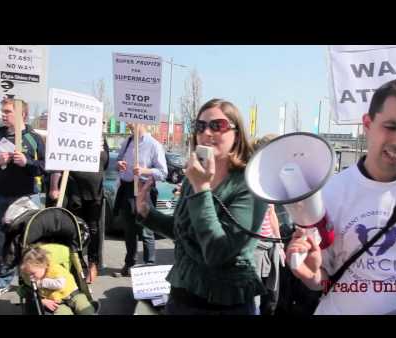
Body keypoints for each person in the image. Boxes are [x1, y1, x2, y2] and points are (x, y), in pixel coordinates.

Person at [286, 78, 396, 315]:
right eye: (391, 126)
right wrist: (310, 275)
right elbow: (323, 280)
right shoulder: (329, 194)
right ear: (367, 124)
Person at [135, 98, 268, 315]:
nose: (206, 133)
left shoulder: (250, 185)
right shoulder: (193, 177)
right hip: (181, 297)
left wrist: (203, 189)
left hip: (225, 304)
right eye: (200, 126)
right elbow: (184, 233)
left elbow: (217, 252)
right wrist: (147, 213)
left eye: (218, 126)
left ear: (237, 135)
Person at [0, 98, 45, 301]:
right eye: (3, 111)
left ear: (23, 115)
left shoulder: (34, 139)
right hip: (0, 196)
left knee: (29, 240)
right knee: (2, 240)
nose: (3, 115)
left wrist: (27, 162)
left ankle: (31, 282)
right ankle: (2, 279)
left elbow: (45, 167)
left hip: (26, 196)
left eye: (8, 111)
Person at [48, 136, 109, 283]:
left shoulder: (102, 139)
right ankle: (78, 264)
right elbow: (59, 161)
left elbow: (105, 164)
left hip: (95, 192)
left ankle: (93, 264)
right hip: (74, 191)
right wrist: (54, 186)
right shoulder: (74, 133)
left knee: (94, 230)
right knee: (76, 229)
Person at [113, 123, 167, 276]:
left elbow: (163, 172)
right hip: (127, 190)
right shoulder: (127, 142)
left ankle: (149, 268)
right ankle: (129, 265)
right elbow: (118, 161)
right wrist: (119, 164)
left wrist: (144, 170)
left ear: (141, 122)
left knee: (146, 231)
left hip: (144, 190)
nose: (128, 124)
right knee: (129, 230)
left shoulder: (154, 145)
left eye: (131, 122)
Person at [251, 134, 285, 315]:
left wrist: (279, 243)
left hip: (270, 246)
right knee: (253, 298)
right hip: (254, 247)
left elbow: (272, 213)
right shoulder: (249, 177)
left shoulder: (269, 179)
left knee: (271, 297)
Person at [20, 246, 95, 315]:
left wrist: (42, 283)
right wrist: (42, 301)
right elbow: (28, 293)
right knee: (61, 313)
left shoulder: (54, 269)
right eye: (28, 274)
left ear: (44, 265)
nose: (30, 277)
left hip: (73, 295)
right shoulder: (31, 278)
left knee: (85, 309)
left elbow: (60, 284)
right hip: (57, 302)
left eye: (33, 273)